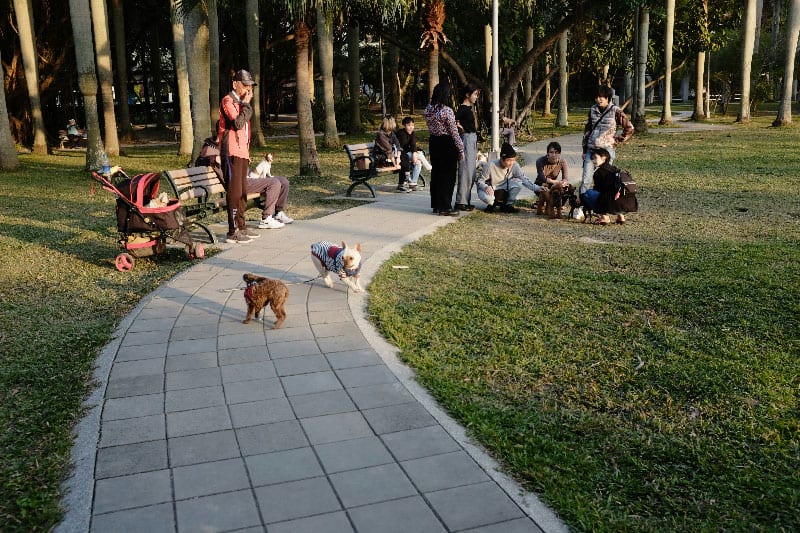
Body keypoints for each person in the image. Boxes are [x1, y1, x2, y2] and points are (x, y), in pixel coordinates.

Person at [576, 85, 634, 220]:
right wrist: (584, 149)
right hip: (591, 149)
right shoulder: (592, 110)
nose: (598, 99)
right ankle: (582, 207)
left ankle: (605, 209)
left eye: (601, 97)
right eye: (596, 97)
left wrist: (616, 140)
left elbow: (629, 128)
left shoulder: (616, 111)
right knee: (586, 179)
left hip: (606, 151)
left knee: (606, 180)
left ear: (608, 98)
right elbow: (587, 130)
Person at [218, 69, 261, 244]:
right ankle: (232, 230)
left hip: (242, 152)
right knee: (234, 192)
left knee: (243, 191)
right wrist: (247, 104)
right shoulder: (228, 100)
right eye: (245, 85)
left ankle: (241, 226)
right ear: (235, 83)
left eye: (250, 86)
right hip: (231, 151)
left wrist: (245, 104)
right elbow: (237, 122)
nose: (248, 89)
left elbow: (245, 130)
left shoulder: (242, 103)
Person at [424, 81, 464, 216]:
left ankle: (436, 204)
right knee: (448, 176)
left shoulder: (428, 109)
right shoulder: (447, 111)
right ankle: (445, 206)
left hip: (434, 142)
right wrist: (461, 149)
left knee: (436, 174)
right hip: (447, 143)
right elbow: (454, 132)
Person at [475, 142, 542, 213]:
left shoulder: (514, 165)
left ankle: (508, 205)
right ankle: (491, 205)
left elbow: (523, 179)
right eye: (508, 160)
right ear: (501, 159)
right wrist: (486, 187)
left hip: (504, 188)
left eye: (513, 160)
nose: (511, 163)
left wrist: (537, 188)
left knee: (518, 182)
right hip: (490, 188)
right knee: (489, 199)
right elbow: (480, 181)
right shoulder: (490, 165)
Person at [248, 153, 294, 229]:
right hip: (244, 179)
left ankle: (278, 213)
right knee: (274, 183)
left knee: (284, 181)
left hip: (250, 175)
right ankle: (266, 219)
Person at [582, 147, 626, 225]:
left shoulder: (599, 172)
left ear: (604, 158)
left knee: (588, 194)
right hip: (624, 202)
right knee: (613, 194)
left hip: (611, 201)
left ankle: (604, 217)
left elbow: (598, 191)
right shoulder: (615, 169)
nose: (593, 161)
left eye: (595, 158)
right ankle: (621, 216)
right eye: (592, 159)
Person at [454, 85, 480, 211]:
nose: (476, 97)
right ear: (467, 95)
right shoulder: (463, 108)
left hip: (472, 139)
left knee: (471, 171)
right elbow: (453, 120)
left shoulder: (468, 108)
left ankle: (465, 200)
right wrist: (461, 128)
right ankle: (461, 201)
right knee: (465, 170)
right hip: (467, 139)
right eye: (474, 94)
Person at [535, 141, 572, 217]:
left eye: (556, 152)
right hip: (541, 183)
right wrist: (556, 182)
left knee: (568, 187)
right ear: (548, 153)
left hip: (553, 185)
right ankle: (542, 204)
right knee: (544, 187)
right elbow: (542, 178)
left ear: (559, 153)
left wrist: (564, 183)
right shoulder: (540, 161)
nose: (554, 155)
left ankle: (559, 204)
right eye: (551, 152)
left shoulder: (562, 162)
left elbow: (565, 178)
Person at [395, 116, 431, 191]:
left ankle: (413, 184)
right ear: (404, 126)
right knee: (419, 154)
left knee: (418, 162)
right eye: (409, 125)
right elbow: (402, 148)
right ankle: (429, 168)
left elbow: (413, 144)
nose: (411, 127)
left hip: (407, 154)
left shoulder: (412, 133)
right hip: (401, 155)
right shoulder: (401, 134)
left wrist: (414, 152)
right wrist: (414, 153)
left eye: (412, 125)